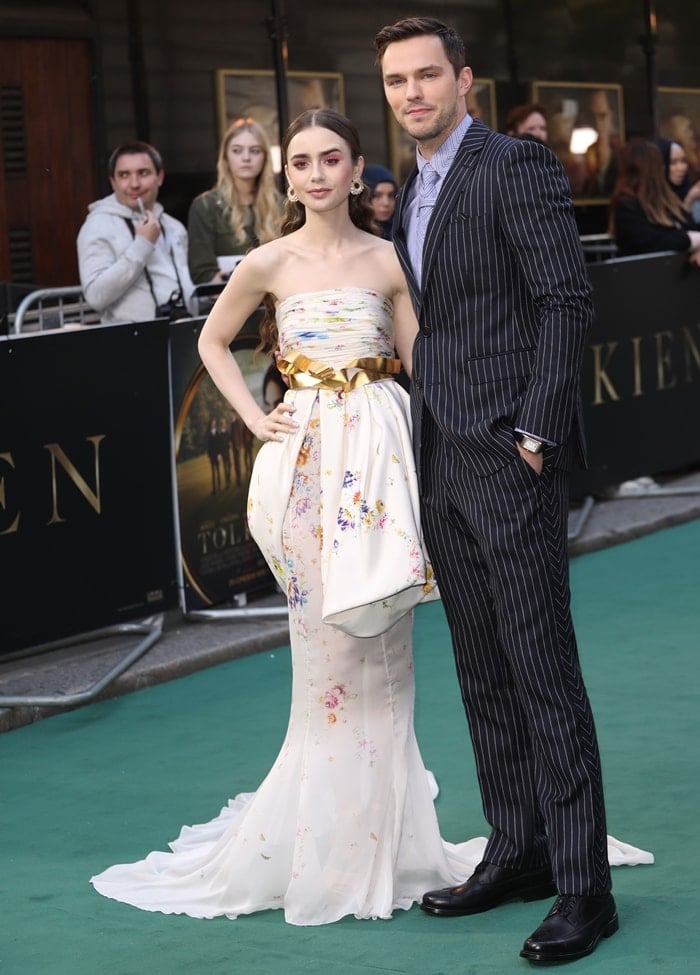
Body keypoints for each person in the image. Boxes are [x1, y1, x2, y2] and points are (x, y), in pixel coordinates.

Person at [90, 107, 478, 926]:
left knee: (389, 647)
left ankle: (393, 842)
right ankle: (324, 848)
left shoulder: (387, 257)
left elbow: (424, 361)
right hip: (303, 468)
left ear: (357, 165)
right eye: (299, 161)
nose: (315, 173)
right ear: (285, 174)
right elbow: (211, 342)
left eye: (330, 158)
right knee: (327, 661)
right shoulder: (267, 259)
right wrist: (253, 415)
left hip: (379, 455)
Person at [374, 15, 641, 964]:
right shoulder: (411, 185)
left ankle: (584, 887)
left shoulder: (511, 165)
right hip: (441, 459)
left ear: (464, 79)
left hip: (508, 457)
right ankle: (517, 848)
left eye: (427, 75)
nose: (411, 92)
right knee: (482, 671)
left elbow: (566, 298)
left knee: (541, 672)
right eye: (397, 80)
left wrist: (536, 431)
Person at [77, 141, 196, 324]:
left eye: (143, 173)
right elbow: (95, 296)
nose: (134, 184)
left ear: (160, 176)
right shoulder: (97, 226)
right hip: (131, 343)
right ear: (113, 182)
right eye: (124, 175)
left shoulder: (174, 227)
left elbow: (183, 287)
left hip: (183, 335)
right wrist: (142, 245)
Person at [187, 117, 283, 285]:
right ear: (225, 157)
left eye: (254, 151)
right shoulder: (205, 206)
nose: (246, 158)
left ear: (265, 157)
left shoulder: (282, 204)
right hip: (227, 302)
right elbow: (203, 273)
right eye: (237, 151)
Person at [608, 138, 700, 262]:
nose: (663, 169)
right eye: (662, 165)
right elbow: (653, 242)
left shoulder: (664, 200)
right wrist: (691, 240)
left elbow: (685, 227)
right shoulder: (627, 206)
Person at [657, 137, 700, 220]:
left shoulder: (690, 189)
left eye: (683, 161)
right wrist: (689, 201)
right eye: (673, 163)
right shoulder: (654, 200)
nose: (681, 168)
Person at [363, 163, 399, 239]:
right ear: (364, 197)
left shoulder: (403, 233)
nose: (386, 203)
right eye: (376, 195)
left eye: (391, 195)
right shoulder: (353, 235)